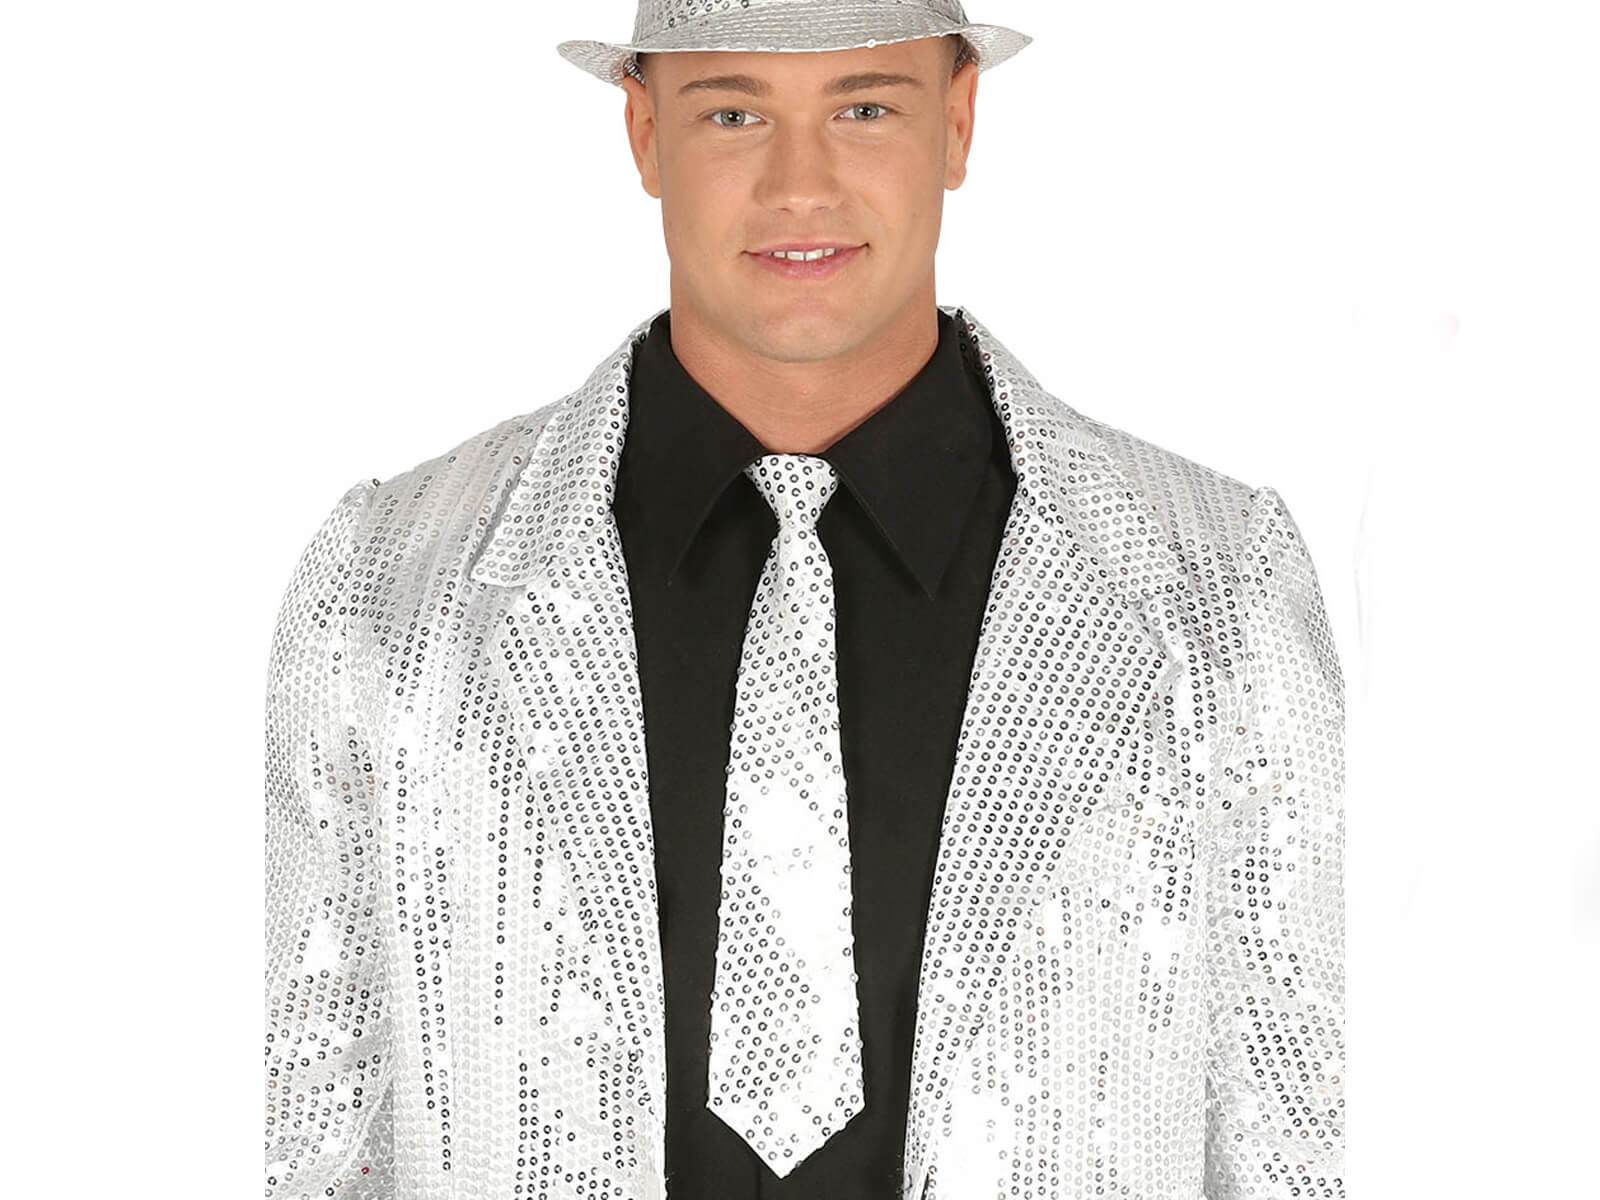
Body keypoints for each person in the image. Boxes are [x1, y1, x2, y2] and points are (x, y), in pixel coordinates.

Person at [263, 3, 1346, 1198]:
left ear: (957, 121)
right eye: (732, 114)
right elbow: (308, 1129)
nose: (800, 186)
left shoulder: (1215, 586)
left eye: (864, 107)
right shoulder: (389, 588)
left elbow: (1304, 1129)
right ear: (643, 132)